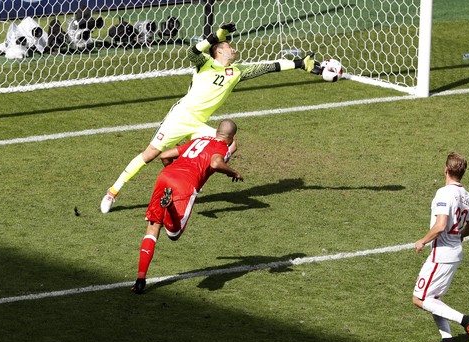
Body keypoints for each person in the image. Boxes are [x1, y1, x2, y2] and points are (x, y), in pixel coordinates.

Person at [100, 22, 321, 213]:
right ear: (219, 52)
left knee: (229, 144)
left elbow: (269, 67)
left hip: (199, 125)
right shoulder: (204, 63)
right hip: (180, 117)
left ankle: (192, 181)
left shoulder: (237, 72)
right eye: (228, 46)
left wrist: (301, 64)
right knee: (149, 155)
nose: (233, 49)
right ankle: (112, 192)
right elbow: (191, 52)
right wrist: (216, 36)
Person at [131, 119, 243, 294]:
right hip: (185, 184)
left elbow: (165, 155)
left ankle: (140, 279)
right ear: (233, 137)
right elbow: (215, 163)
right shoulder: (222, 148)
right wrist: (233, 171)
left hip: (165, 176)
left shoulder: (199, 140)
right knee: (174, 234)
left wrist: (172, 172)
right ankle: (170, 207)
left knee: (153, 229)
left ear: (216, 132)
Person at [412, 152, 469, 342]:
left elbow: (440, 225)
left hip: (441, 255)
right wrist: (459, 237)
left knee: (419, 298)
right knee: (434, 299)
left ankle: (465, 319)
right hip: (455, 253)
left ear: (446, 170)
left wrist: (423, 240)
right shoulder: (466, 195)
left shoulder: (444, 193)